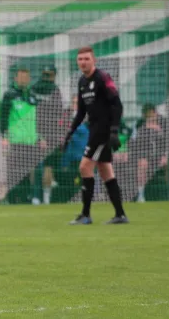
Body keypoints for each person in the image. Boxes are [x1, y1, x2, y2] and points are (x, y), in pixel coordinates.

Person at [64, 46, 128, 225]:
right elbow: (81, 112)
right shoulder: (82, 82)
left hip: (103, 131)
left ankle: (85, 215)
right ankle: (120, 215)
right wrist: (70, 131)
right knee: (105, 170)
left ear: (94, 60)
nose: (83, 62)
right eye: (80, 59)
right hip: (95, 129)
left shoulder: (102, 77)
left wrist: (114, 131)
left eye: (86, 59)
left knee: (85, 167)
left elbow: (117, 104)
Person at [0, 68, 41, 204]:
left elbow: (38, 119)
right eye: (21, 77)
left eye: (26, 77)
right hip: (15, 141)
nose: (24, 80)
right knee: (14, 173)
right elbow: (3, 117)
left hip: (31, 141)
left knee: (28, 173)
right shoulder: (9, 95)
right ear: (15, 78)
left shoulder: (33, 96)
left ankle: (25, 200)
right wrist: (4, 137)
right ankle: (12, 200)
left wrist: (40, 137)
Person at [32, 65, 63, 205]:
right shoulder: (55, 90)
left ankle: (36, 197)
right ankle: (45, 197)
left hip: (35, 133)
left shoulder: (33, 88)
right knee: (47, 166)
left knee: (37, 166)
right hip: (47, 134)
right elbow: (58, 113)